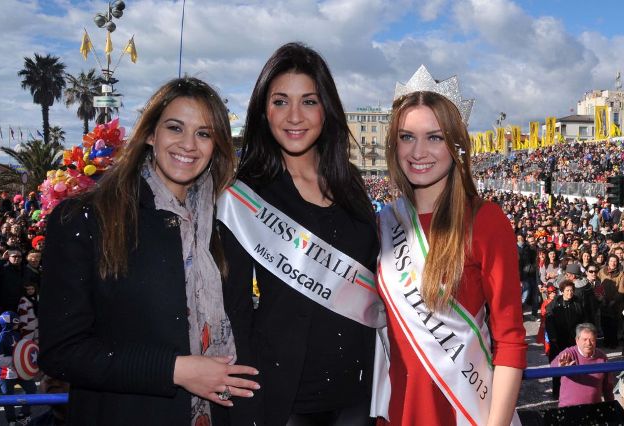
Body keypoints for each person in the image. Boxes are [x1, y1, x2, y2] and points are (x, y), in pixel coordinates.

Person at [39, 77, 259, 426]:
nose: (189, 144)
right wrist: (173, 370)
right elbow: (61, 351)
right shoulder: (86, 218)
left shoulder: (227, 224)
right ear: (151, 134)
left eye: (204, 133)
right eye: (175, 128)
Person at [219, 42, 382, 426]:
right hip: (285, 398)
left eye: (308, 101)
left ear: (327, 109)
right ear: (264, 111)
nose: (294, 116)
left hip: (359, 392)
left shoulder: (351, 186)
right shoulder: (245, 197)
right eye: (280, 101)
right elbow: (235, 312)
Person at [374, 66, 526, 425]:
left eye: (434, 137)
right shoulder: (384, 222)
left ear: (456, 144)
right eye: (407, 137)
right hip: (397, 410)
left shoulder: (485, 221)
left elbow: (510, 341)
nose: (418, 151)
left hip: (463, 411)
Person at [551, 323, 614, 407]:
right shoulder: (569, 353)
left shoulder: (602, 357)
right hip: (569, 407)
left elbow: (608, 387)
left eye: (592, 340)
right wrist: (561, 367)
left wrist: (611, 406)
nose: (588, 343)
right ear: (577, 340)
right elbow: (553, 366)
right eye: (585, 339)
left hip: (594, 407)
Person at [0, 311, 37, 425]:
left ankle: (24, 414)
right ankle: (11, 420)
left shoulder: (17, 334)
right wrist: (17, 359)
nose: (18, 323)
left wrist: (23, 360)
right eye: (16, 321)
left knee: (32, 389)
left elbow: (23, 349)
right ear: (10, 322)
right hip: (5, 374)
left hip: (20, 371)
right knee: (8, 399)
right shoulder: (0, 339)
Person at [545, 279, 586, 398]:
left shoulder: (578, 303)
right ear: (562, 291)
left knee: (575, 364)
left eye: (572, 290)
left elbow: (583, 320)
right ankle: (557, 392)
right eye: (567, 290)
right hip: (558, 340)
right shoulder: (554, 304)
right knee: (558, 366)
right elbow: (549, 323)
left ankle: (574, 390)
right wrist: (553, 338)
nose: (570, 293)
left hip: (573, 340)